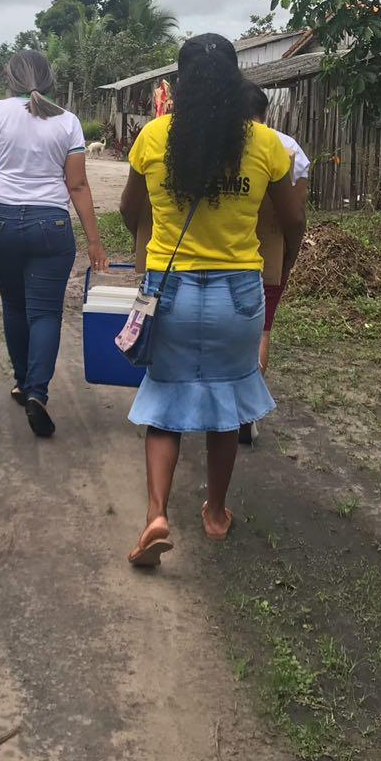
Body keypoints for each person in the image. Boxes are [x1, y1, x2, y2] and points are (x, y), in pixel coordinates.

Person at [118, 34, 304, 567]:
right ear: (236, 81)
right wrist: (283, 272)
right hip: (237, 296)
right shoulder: (267, 145)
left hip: (169, 291)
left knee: (165, 407)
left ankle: (156, 515)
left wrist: (147, 248)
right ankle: (216, 512)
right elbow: (292, 222)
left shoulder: (153, 137)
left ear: (179, 84)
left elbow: (131, 209)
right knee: (227, 409)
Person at [0, 51, 108, 438]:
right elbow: (77, 185)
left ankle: (22, 382)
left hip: (0, 221)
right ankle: (37, 391)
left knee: (14, 304)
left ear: (10, 77)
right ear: (50, 79)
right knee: (44, 312)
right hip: (49, 224)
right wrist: (94, 241)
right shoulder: (68, 121)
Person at [242, 83, 310, 444]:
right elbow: (296, 214)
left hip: (226, 251)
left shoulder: (219, 142)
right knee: (261, 331)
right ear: (265, 112)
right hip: (268, 255)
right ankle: (247, 414)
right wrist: (289, 256)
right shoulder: (288, 148)